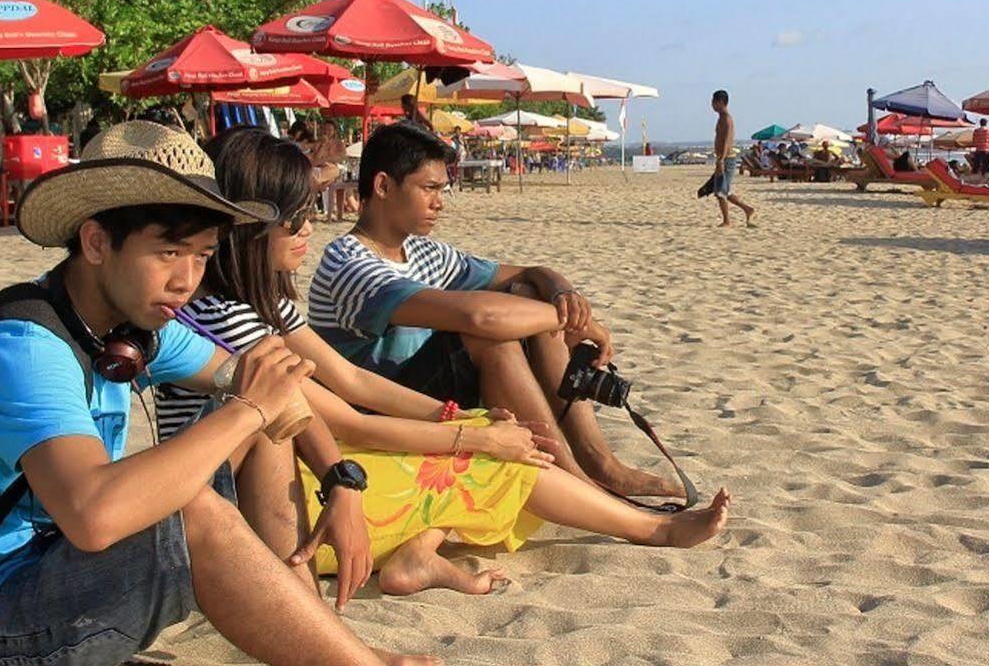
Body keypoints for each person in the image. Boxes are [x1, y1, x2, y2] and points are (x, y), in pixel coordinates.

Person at [0, 120, 543, 666]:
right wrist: (245, 408)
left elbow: (279, 388)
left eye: (204, 256)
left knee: (262, 434)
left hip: (55, 578)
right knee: (194, 507)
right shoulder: (25, 350)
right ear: (97, 242)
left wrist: (340, 481)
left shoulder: (128, 327)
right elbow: (93, 518)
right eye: (168, 252)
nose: (186, 280)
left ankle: (315, 647)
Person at [158, 130, 730, 594]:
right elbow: (348, 413)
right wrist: (468, 436)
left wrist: (461, 418)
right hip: (250, 498)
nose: (310, 227)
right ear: (252, 226)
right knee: (479, 457)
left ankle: (431, 548)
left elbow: (347, 379)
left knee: (491, 425)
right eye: (297, 216)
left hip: (309, 453)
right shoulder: (266, 300)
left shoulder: (267, 304)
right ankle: (651, 528)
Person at [309, 122, 685, 503]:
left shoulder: (423, 252)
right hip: (377, 411)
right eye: (429, 189)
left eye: (443, 189)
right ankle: (576, 480)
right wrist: (577, 320)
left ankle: (600, 463)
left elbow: (529, 273)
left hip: (422, 395)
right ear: (384, 186)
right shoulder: (349, 262)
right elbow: (480, 319)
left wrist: (562, 292)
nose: (440, 202)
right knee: (492, 337)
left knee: (525, 294)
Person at [708, 89, 756, 228]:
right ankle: (747, 209)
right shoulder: (721, 118)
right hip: (723, 158)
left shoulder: (727, 119)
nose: (712, 105)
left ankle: (728, 220)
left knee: (721, 192)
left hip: (727, 159)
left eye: (714, 102)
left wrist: (721, 160)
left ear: (721, 102)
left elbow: (727, 141)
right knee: (722, 191)